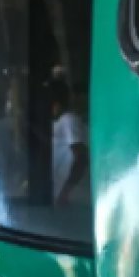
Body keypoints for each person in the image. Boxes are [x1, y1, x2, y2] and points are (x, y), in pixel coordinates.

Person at [50, 78, 89, 207]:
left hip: (70, 197)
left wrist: (65, 192)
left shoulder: (68, 120)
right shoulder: (58, 122)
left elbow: (81, 157)